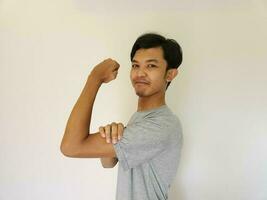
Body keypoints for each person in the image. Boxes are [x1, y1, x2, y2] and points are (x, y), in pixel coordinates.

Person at [60, 32, 183, 200]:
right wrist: (111, 135)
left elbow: (70, 147)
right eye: (135, 65)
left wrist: (94, 78)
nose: (140, 73)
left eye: (151, 66)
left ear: (170, 74)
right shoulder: (140, 118)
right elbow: (108, 163)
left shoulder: (161, 125)